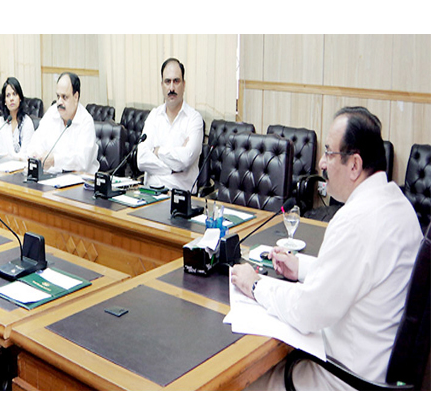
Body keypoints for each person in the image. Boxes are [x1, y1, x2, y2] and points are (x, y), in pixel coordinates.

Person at [230, 107, 423, 390]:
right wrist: (302, 267)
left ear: (354, 165)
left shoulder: (355, 222)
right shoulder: (397, 205)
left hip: (344, 380)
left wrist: (256, 285)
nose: (321, 162)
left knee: (242, 384)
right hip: (381, 373)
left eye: (329, 153)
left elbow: (308, 312)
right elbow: (358, 275)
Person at [137, 58, 203, 192]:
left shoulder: (194, 119)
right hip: (150, 194)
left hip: (180, 197)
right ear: (162, 85)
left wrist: (157, 151)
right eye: (167, 82)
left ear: (184, 84)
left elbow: (185, 159)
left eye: (176, 81)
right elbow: (141, 159)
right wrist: (172, 169)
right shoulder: (154, 116)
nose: (171, 88)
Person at [27, 72, 99, 174]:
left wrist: (54, 160)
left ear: (76, 97)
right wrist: (35, 155)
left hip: (78, 182)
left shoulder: (86, 121)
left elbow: (82, 162)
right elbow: (35, 142)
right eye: (58, 96)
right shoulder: (52, 112)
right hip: (50, 178)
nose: (59, 102)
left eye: (64, 97)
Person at [0, 77, 35, 159]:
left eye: (14, 94)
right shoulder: (2, 122)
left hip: (21, 169)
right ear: (5, 101)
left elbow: (26, 154)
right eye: (8, 95)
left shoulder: (27, 122)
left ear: (20, 98)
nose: (11, 99)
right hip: (2, 168)